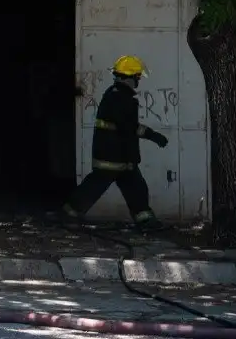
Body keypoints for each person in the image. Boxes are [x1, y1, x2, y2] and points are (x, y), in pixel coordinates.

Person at [63, 55, 167, 230]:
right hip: (113, 156)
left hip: (120, 156)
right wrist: (153, 135)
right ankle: (69, 215)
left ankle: (145, 220)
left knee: (136, 187)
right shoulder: (120, 98)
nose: (138, 80)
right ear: (129, 77)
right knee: (96, 186)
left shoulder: (116, 95)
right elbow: (128, 127)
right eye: (137, 77)